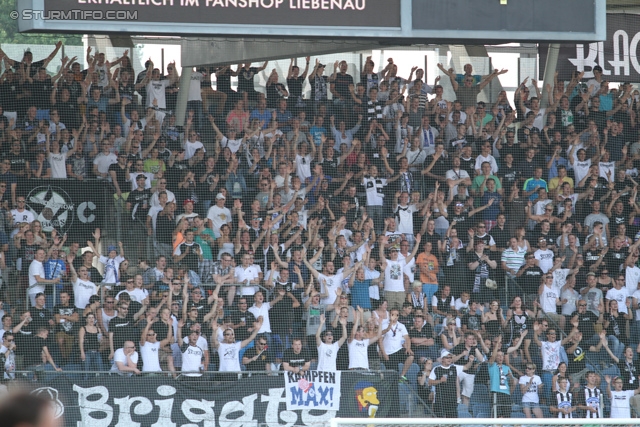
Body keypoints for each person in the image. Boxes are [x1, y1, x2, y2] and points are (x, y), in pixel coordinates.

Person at [380, 308, 414, 382]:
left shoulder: (401, 326)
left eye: (397, 315)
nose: (395, 316)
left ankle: (402, 375)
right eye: (393, 314)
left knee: (410, 356)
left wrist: (408, 348)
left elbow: (407, 338)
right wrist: (383, 353)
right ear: (389, 315)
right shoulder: (384, 325)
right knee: (393, 375)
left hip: (398, 350)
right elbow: (380, 340)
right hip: (388, 352)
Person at [488, 335, 515, 418]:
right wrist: (498, 342)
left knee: (506, 417)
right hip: (496, 393)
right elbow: (492, 357)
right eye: (498, 355)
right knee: (497, 416)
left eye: (502, 356)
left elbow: (512, 383)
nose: (500, 357)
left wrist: (510, 377)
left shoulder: (507, 368)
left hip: (506, 394)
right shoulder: (492, 365)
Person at [429, 349, 460, 418]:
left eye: (450, 358)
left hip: (452, 399)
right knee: (438, 420)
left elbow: (466, 367)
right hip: (440, 399)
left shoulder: (454, 368)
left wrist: (470, 361)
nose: (449, 359)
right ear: (442, 359)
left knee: (452, 420)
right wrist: (440, 381)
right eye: (447, 358)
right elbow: (430, 382)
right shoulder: (436, 369)